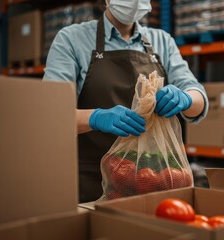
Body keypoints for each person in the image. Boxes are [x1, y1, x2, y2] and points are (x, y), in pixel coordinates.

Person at [43, 0, 208, 203]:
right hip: (91, 184)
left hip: (156, 181)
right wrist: (96, 117)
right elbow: (51, 116)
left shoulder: (162, 41)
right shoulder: (72, 39)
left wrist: (185, 98)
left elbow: (197, 99)